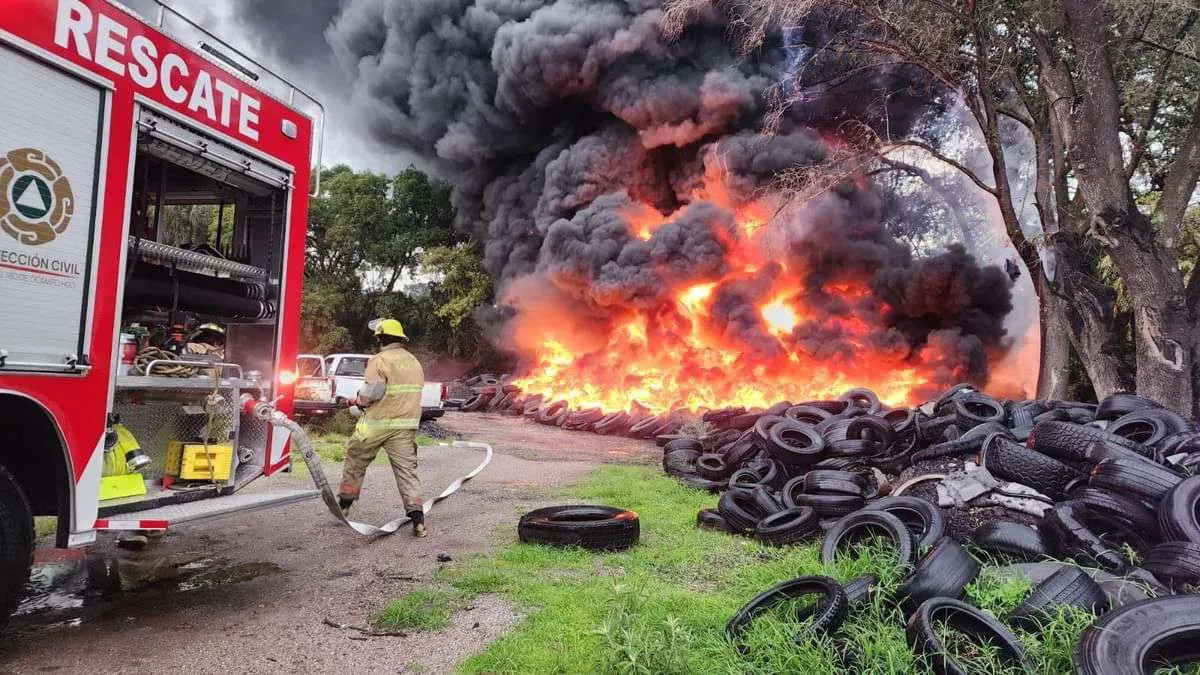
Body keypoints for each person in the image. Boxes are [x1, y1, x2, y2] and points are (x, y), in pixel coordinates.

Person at [337, 318, 428, 537]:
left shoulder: (379, 360)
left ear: (379, 338)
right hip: (405, 425)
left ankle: (345, 504)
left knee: (355, 458)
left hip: (377, 424)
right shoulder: (414, 361)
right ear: (400, 338)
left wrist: (356, 402)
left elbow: (372, 393)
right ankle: (418, 520)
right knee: (407, 472)